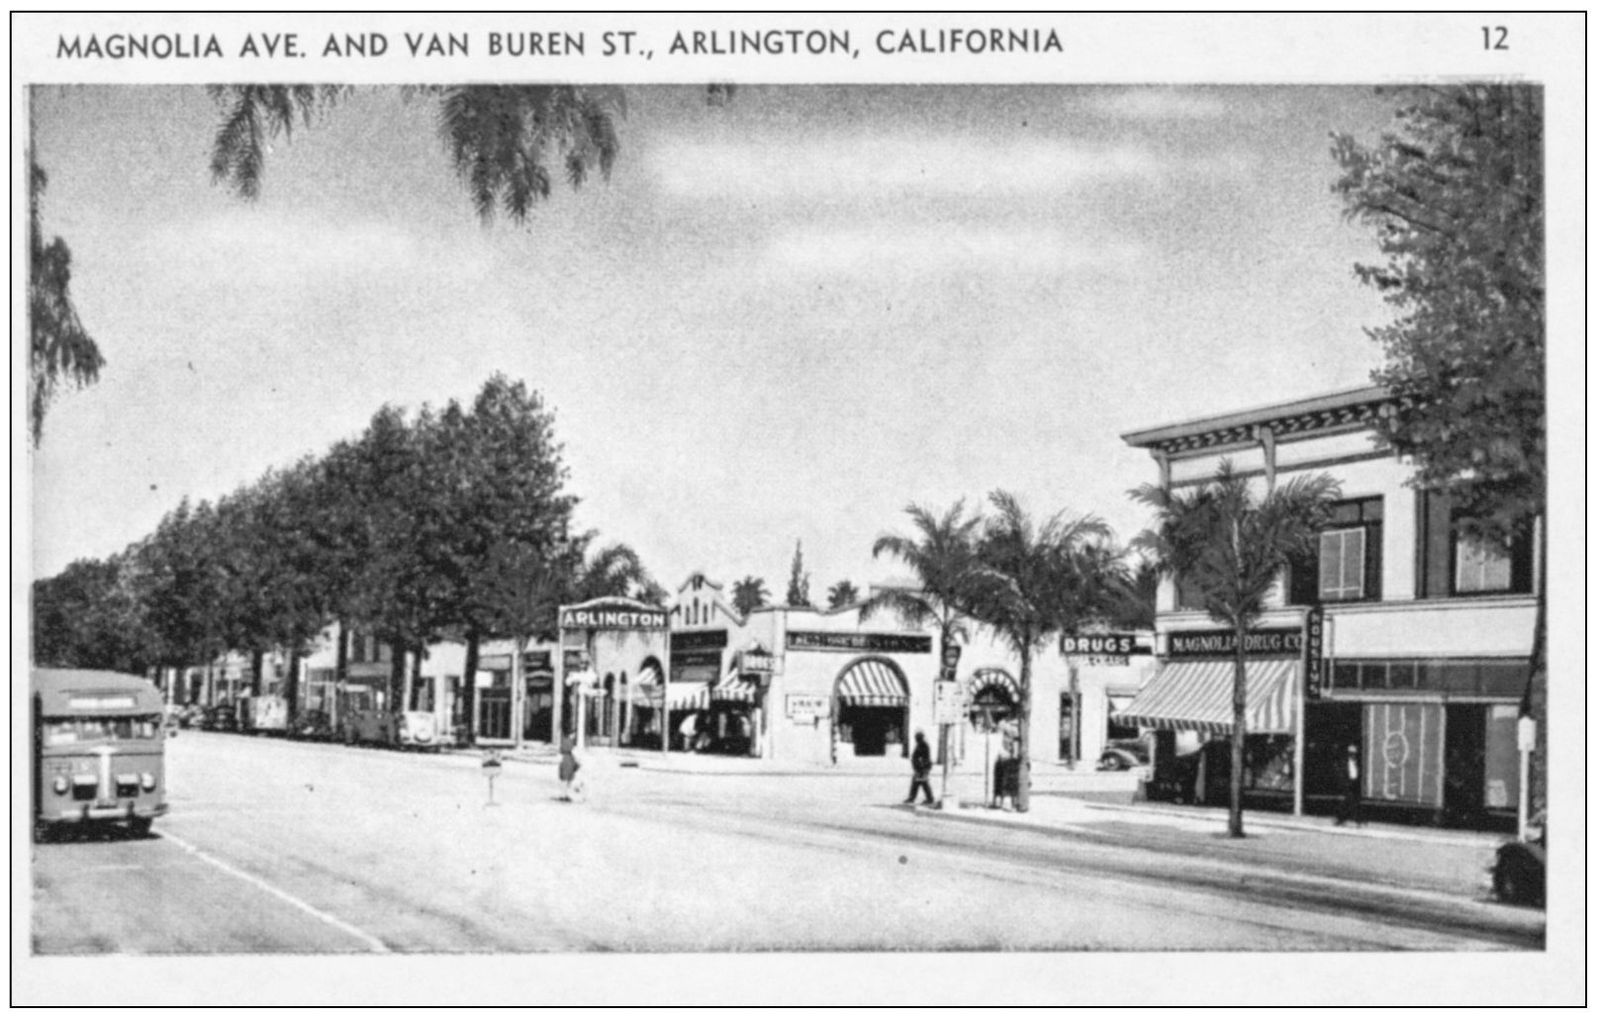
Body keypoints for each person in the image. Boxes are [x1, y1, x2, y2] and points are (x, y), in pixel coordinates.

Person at [904, 730, 936, 806]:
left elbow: (924, 757)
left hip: (922, 767)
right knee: (916, 783)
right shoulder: (919, 744)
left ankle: (930, 798)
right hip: (919, 767)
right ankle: (912, 798)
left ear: (920, 738)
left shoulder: (923, 745)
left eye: (917, 737)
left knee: (923, 783)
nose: (916, 739)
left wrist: (921, 767)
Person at [1334, 743, 1362, 826]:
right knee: (1351, 801)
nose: (1353, 755)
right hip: (1347, 784)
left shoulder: (1357, 762)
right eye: (1351, 753)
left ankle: (1340, 819)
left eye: (1354, 753)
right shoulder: (1344, 762)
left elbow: (1358, 772)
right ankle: (1357, 820)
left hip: (1355, 783)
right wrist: (1345, 783)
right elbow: (1341, 773)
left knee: (1347, 802)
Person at [558, 735, 583, 802]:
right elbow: (574, 753)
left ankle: (563, 794)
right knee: (568, 780)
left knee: (564, 780)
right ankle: (566, 794)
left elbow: (560, 751)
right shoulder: (570, 744)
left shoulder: (564, 742)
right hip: (569, 761)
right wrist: (578, 761)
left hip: (564, 761)